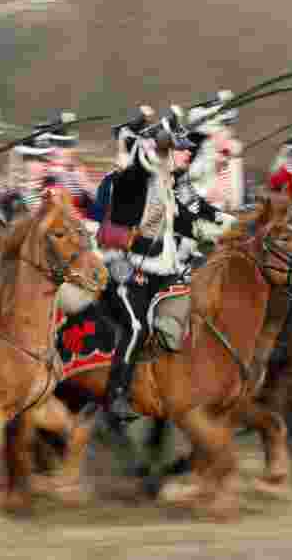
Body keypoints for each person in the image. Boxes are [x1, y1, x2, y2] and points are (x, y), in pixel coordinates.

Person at [100, 106, 236, 422]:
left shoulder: (170, 185)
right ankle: (116, 394)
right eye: (182, 151)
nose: (188, 156)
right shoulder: (136, 181)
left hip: (163, 272)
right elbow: (131, 172)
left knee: (189, 314)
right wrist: (153, 144)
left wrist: (232, 227)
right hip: (127, 270)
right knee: (136, 327)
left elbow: (192, 220)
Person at [186, 90, 245, 211]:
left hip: (218, 199)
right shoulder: (195, 143)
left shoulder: (228, 148)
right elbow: (195, 121)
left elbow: (230, 117)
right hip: (198, 200)